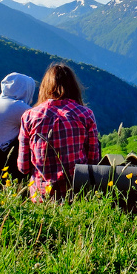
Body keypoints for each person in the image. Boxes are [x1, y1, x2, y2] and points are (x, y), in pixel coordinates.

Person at [18, 63, 101, 201]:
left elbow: (23, 167)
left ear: (45, 87)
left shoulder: (29, 116)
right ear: (74, 87)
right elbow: (94, 161)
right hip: (76, 195)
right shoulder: (85, 114)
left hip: (41, 197)